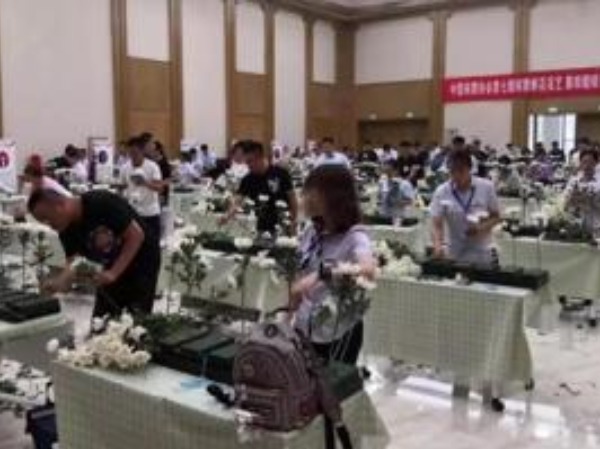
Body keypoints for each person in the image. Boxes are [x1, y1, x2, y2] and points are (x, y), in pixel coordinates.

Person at [291, 165, 376, 365]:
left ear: (333, 196)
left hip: (338, 329)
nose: (306, 197)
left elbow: (368, 270)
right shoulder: (311, 231)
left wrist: (321, 274)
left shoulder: (355, 236)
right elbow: (300, 274)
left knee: (332, 382)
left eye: (312, 191)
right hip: (305, 324)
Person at [28, 189, 161, 317]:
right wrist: (59, 283)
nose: (48, 224)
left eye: (47, 218)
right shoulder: (66, 228)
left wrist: (113, 273)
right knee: (103, 318)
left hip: (141, 259)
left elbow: (136, 235)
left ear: (60, 205)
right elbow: (73, 263)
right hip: (110, 264)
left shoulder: (100, 202)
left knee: (135, 317)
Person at [430, 148, 502, 267]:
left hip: (482, 250)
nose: (456, 176)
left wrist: (480, 228)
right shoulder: (442, 191)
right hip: (454, 251)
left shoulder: (486, 187)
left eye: (461, 171)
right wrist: (438, 245)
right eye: (452, 171)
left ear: (470, 169)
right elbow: (437, 224)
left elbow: (496, 217)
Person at [221, 140, 297, 235]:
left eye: (250, 161)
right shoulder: (247, 179)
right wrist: (227, 215)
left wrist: (293, 222)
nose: (248, 165)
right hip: (259, 227)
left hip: (281, 225)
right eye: (246, 161)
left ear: (260, 157)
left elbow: (293, 200)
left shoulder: (281, 174)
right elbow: (237, 201)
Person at [120, 137, 164, 243]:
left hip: (150, 213)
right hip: (133, 213)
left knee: (152, 244)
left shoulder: (153, 166)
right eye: (130, 153)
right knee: (134, 244)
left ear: (142, 151)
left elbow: (160, 188)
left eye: (135, 153)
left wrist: (144, 183)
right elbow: (123, 187)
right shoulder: (125, 167)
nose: (133, 156)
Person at [564, 148, 600, 235]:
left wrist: (591, 198)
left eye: (590, 162)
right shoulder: (574, 180)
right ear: (580, 162)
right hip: (577, 226)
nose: (587, 165)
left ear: (596, 163)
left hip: (597, 225)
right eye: (584, 162)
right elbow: (566, 200)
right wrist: (572, 198)